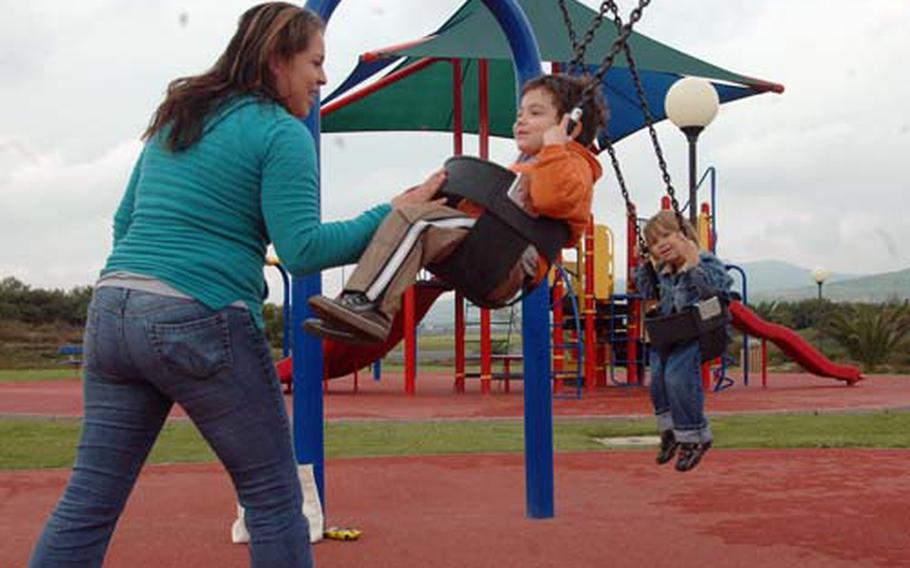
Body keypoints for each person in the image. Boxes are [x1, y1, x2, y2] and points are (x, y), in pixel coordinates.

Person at [28, 4, 441, 567]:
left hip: (112, 309)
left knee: (89, 499)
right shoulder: (281, 133)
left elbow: (125, 222)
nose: (322, 78)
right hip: (200, 318)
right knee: (273, 499)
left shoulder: (178, 116)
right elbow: (303, 251)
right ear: (276, 59)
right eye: (315, 63)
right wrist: (396, 211)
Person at [304, 74, 606, 344]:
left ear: (571, 126)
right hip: (484, 244)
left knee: (419, 225)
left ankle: (370, 307)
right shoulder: (532, 164)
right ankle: (356, 303)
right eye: (520, 113)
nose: (520, 121)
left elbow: (554, 199)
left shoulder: (574, 164)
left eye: (535, 113)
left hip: (507, 260)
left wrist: (556, 148)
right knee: (408, 216)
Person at [635, 210, 733, 472]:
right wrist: (644, 264)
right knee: (657, 378)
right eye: (655, 242)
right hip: (671, 333)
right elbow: (646, 292)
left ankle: (695, 437)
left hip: (701, 330)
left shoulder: (704, 261)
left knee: (678, 378)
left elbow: (717, 289)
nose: (662, 244)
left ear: (685, 234)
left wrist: (692, 266)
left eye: (667, 235)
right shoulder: (662, 270)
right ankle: (670, 432)